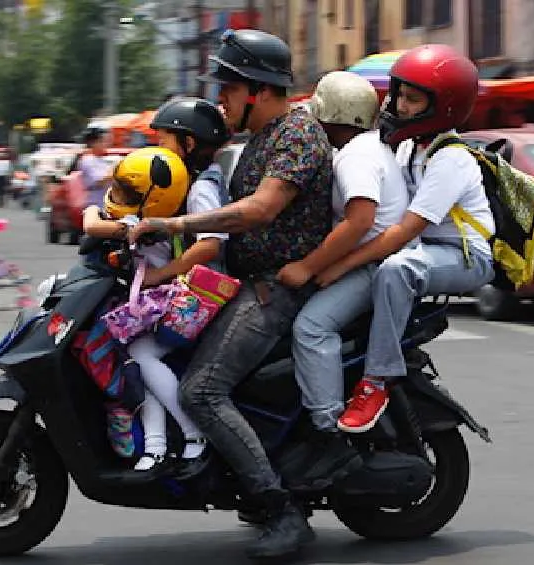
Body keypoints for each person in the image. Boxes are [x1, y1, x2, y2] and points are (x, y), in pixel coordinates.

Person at [129, 28, 333, 560]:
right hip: (239, 285)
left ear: (258, 89)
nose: (221, 99)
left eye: (228, 87)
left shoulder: (297, 136)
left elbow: (259, 211)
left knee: (201, 391)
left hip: (272, 293)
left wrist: (177, 221)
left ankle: (280, 510)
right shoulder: (258, 142)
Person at [313, 44, 496, 434]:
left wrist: (337, 265)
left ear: (443, 107)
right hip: (427, 249)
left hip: (465, 256)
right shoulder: (410, 147)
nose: (399, 104)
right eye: (398, 93)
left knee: (397, 268)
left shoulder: (451, 159)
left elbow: (403, 232)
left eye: (412, 99)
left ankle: (377, 381)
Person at [279, 71, 409, 490]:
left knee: (311, 328)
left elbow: (359, 221)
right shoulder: (365, 147)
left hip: (370, 268)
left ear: (333, 116)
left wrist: (310, 266)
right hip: (365, 262)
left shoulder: (356, 156)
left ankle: (327, 432)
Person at [84, 139, 226, 473]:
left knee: (141, 357)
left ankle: (194, 434)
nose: (118, 200)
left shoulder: (147, 226)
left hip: (187, 309)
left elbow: (92, 223)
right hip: (156, 309)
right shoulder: (154, 216)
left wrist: (105, 219)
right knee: (135, 361)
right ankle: (157, 446)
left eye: (127, 195)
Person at [78, 128, 114, 210]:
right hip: (97, 205)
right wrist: (116, 170)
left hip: (107, 204)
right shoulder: (88, 160)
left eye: (107, 141)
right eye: (102, 141)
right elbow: (100, 181)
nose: (106, 144)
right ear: (93, 143)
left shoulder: (103, 160)